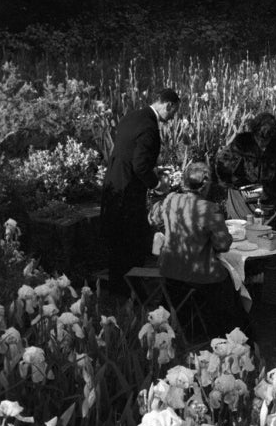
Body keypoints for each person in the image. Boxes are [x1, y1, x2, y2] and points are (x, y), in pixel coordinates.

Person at [148, 161, 247, 336]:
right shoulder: (208, 208)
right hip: (199, 273)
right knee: (230, 282)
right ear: (205, 185)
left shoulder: (171, 199)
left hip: (170, 270)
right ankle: (234, 331)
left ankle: (191, 324)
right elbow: (223, 245)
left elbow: (153, 219)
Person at [100, 88, 180, 293]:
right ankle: (131, 289)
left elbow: (128, 152)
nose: (172, 118)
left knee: (116, 240)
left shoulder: (133, 116)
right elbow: (140, 166)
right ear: (168, 105)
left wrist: (153, 169)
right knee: (130, 240)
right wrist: (157, 184)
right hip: (128, 191)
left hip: (113, 183)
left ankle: (118, 285)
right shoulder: (149, 127)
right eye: (173, 112)